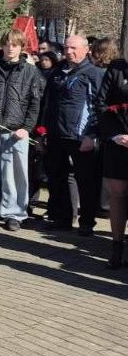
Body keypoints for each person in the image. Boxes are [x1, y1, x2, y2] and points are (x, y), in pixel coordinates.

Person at [0, 29, 44, 231]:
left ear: (21, 47)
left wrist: (27, 128)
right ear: (2, 45)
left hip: (16, 131)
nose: (11, 48)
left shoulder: (31, 72)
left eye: (15, 44)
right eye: (7, 44)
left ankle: (14, 214)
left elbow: (35, 103)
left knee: (14, 175)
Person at [40, 35, 105, 235]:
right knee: (56, 178)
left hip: (81, 137)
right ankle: (63, 218)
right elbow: (46, 103)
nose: (69, 52)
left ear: (86, 49)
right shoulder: (57, 72)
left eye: (74, 48)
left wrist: (92, 135)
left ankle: (87, 222)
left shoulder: (94, 73)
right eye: (67, 48)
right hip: (55, 134)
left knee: (85, 181)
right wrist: (42, 131)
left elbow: (99, 107)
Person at [98, 58, 128, 267]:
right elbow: (101, 103)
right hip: (119, 142)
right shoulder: (117, 69)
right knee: (118, 193)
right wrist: (115, 135)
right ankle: (117, 247)